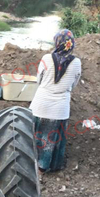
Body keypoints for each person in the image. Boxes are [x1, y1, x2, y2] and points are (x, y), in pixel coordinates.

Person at [30, 29, 82, 174]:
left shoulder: (46, 58)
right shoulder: (76, 62)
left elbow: (39, 80)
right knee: (53, 138)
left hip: (40, 104)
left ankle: (31, 165)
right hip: (60, 107)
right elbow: (74, 83)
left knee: (36, 135)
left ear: (57, 42)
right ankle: (47, 166)